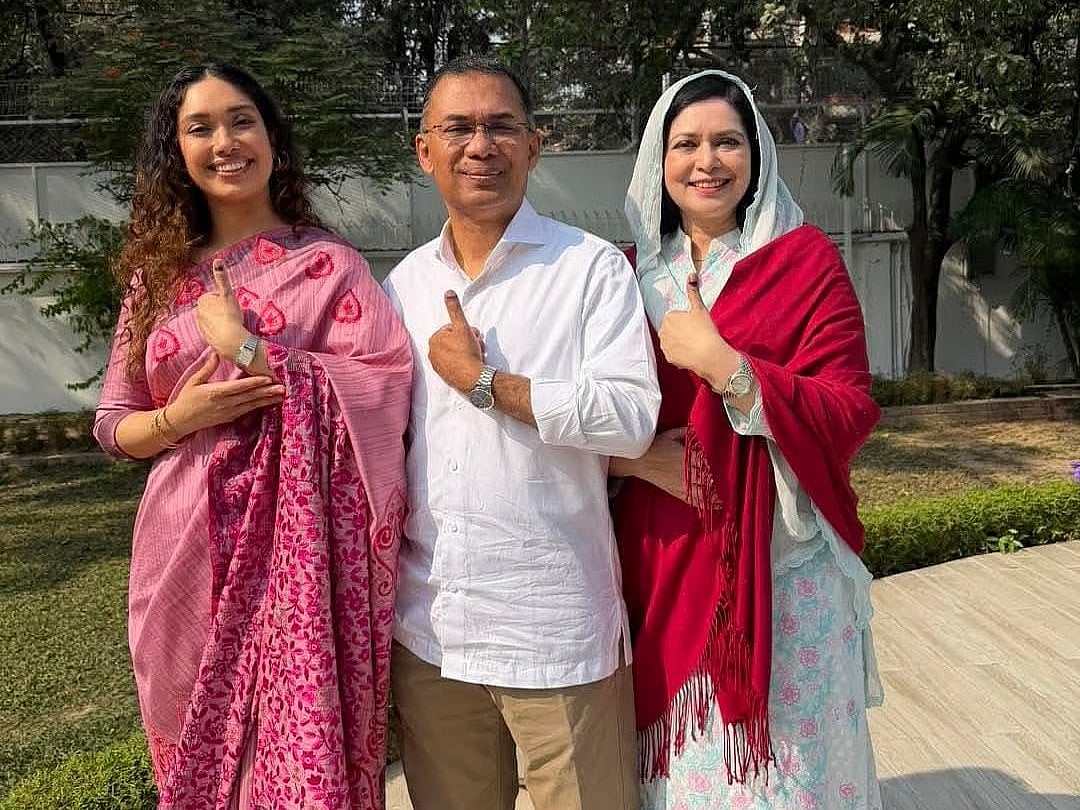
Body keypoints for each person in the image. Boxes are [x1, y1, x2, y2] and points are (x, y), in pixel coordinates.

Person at [92, 63, 412, 809]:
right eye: (199, 127)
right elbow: (113, 425)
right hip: (180, 558)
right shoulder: (157, 278)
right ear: (177, 151)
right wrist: (181, 418)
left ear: (271, 137)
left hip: (299, 570)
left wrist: (249, 351)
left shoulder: (329, 267)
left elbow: (385, 386)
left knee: (293, 774)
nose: (225, 141)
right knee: (192, 767)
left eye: (241, 120)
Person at [381, 56, 660, 810]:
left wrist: (487, 385)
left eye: (501, 126)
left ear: (535, 146)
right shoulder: (399, 288)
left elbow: (631, 420)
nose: (481, 145)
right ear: (424, 150)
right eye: (459, 128)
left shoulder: (589, 269)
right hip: (434, 634)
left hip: (557, 632)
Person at [612, 69, 884, 809]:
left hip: (783, 574)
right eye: (687, 144)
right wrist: (630, 456)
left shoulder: (805, 262)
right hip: (660, 565)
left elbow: (849, 408)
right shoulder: (625, 276)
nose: (708, 162)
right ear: (657, 162)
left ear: (756, 154)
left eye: (728, 141)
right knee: (684, 781)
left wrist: (731, 369)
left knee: (789, 779)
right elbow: (592, 413)